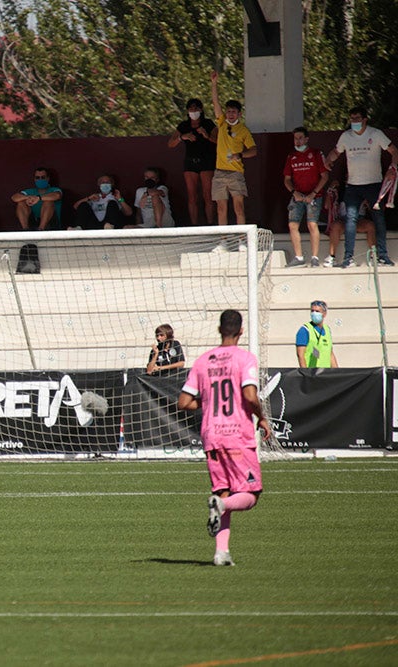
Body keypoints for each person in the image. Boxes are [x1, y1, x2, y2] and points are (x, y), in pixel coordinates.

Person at [177, 309, 271, 567]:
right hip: (237, 435)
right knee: (250, 496)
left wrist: (208, 403)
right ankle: (220, 505)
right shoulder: (245, 358)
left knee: (223, 491)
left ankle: (221, 553)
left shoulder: (203, 361)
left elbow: (184, 401)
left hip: (211, 436)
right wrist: (261, 417)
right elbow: (250, 396)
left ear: (219, 330)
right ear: (241, 331)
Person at [324, 106, 398, 268]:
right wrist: (329, 159)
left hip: (373, 184)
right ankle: (348, 258)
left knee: (378, 218)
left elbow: (394, 151)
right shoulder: (346, 136)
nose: (354, 122)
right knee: (351, 219)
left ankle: (382, 256)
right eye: (352, 119)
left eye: (357, 119)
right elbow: (336, 152)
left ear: (365, 119)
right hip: (353, 186)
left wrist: (393, 169)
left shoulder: (376, 134)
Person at [210, 70, 258, 225]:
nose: (230, 114)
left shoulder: (243, 130)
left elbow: (254, 150)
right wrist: (214, 84)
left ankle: (242, 242)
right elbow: (215, 103)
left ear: (239, 114)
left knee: (238, 207)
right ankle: (223, 242)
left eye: (234, 112)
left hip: (236, 173)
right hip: (219, 172)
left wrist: (240, 155)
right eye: (228, 111)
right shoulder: (222, 122)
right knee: (221, 208)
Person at [282, 127, 330, 267]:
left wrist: (313, 194)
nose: (298, 141)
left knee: (312, 223)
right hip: (298, 196)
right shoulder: (291, 156)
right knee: (292, 224)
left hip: (314, 195)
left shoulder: (316, 153)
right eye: (295, 138)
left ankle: (315, 258)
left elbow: (325, 176)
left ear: (307, 139)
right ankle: (299, 257)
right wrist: (294, 192)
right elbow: (287, 179)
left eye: (300, 138)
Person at [168, 98, 217, 225]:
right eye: (191, 109)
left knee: (208, 196)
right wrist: (182, 137)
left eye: (196, 109)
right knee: (192, 196)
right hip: (190, 162)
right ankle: (194, 225)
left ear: (201, 110)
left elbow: (219, 141)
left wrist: (207, 135)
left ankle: (211, 225)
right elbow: (171, 144)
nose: (193, 111)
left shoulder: (208, 123)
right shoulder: (184, 126)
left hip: (206, 162)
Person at [323, 180, 377, 267]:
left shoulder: (364, 190)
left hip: (359, 220)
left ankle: (373, 256)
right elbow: (327, 206)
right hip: (343, 221)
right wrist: (330, 189)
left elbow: (373, 210)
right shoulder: (340, 191)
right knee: (335, 226)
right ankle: (331, 257)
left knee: (370, 225)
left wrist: (368, 203)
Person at [295, 300, 338, 368]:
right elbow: (300, 355)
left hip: (325, 373)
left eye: (317, 311)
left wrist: (337, 372)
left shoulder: (327, 329)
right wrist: (306, 374)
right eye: (312, 311)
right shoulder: (305, 330)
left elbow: (330, 354)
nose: (314, 313)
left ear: (324, 314)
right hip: (312, 373)